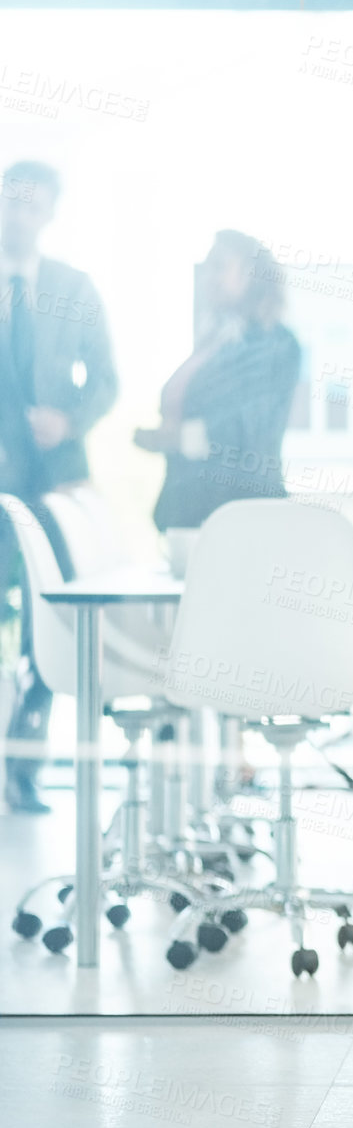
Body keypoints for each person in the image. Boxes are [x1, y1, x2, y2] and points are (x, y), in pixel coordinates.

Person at [0, 160, 118, 813]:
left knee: (44, 620)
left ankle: (25, 762)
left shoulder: (73, 286)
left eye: (31, 206)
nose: (18, 215)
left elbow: (107, 376)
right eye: (10, 203)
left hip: (54, 480)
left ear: (48, 213)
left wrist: (68, 418)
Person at [134, 230, 301, 530]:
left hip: (240, 519)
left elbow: (249, 428)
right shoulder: (214, 341)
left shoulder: (275, 344)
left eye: (220, 266)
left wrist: (175, 438)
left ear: (251, 276)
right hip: (191, 513)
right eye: (207, 267)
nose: (207, 277)